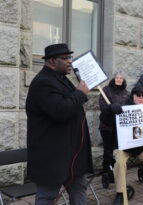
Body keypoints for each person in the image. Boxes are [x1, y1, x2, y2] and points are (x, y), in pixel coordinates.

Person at [26, 43, 92, 205]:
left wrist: (78, 97)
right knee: (47, 197)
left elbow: (70, 104)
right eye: (65, 58)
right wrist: (80, 94)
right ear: (52, 61)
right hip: (52, 157)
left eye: (70, 57)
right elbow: (60, 111)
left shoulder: (62, 79)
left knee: (79, 191)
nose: (70, 61)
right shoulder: (43, 82)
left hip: (72, 155)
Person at [100, 86, 143, 205]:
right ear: (132, 96)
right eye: (138, 95)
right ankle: (119, 194)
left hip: (142, 148)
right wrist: (109, 109)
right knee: (119, 163)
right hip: (124, 147)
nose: (140, 98)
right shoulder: (122, 109)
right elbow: (104, 120)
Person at [98, 73, 129, 185]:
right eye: (117, 77)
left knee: (116, 150)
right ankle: (107, 171)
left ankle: (116, 170)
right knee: (108, 150)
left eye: (121, 78)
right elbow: (102, 105)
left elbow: (128, 107)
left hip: (119, 127)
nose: (119, 79)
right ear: (113, 79)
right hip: (107, 125)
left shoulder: (126, 93)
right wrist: (110, 107)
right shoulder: (106, 90)